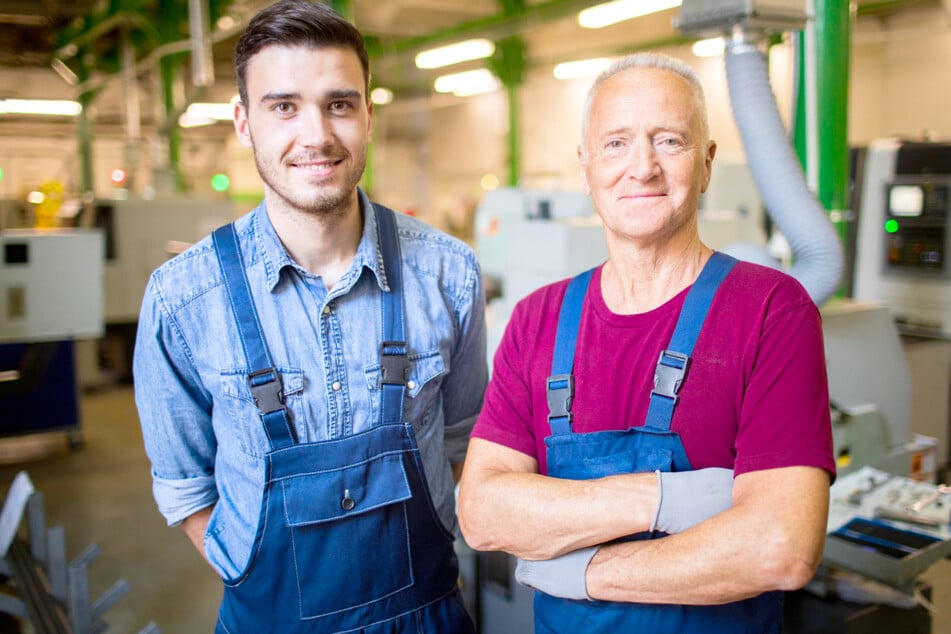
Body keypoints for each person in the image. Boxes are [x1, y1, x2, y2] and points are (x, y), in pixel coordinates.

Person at [132, 1, 486, 632]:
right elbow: (187, 489)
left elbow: (463, 444)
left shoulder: (448, 275)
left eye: (340, 104)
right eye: (284, 106)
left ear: (369, 116)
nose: (316, 135)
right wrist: (260, 579)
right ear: (244, 122)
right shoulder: (182, 301)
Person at [457, 52, 835, 633]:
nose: (642, 167)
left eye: (669, 141)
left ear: (706, 165)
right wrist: (671, 501)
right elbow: (482, 513)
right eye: (616, 143)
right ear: (585, 167)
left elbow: (779, 544)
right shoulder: (538, 319)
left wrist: (584, 573)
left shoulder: (770, 309)